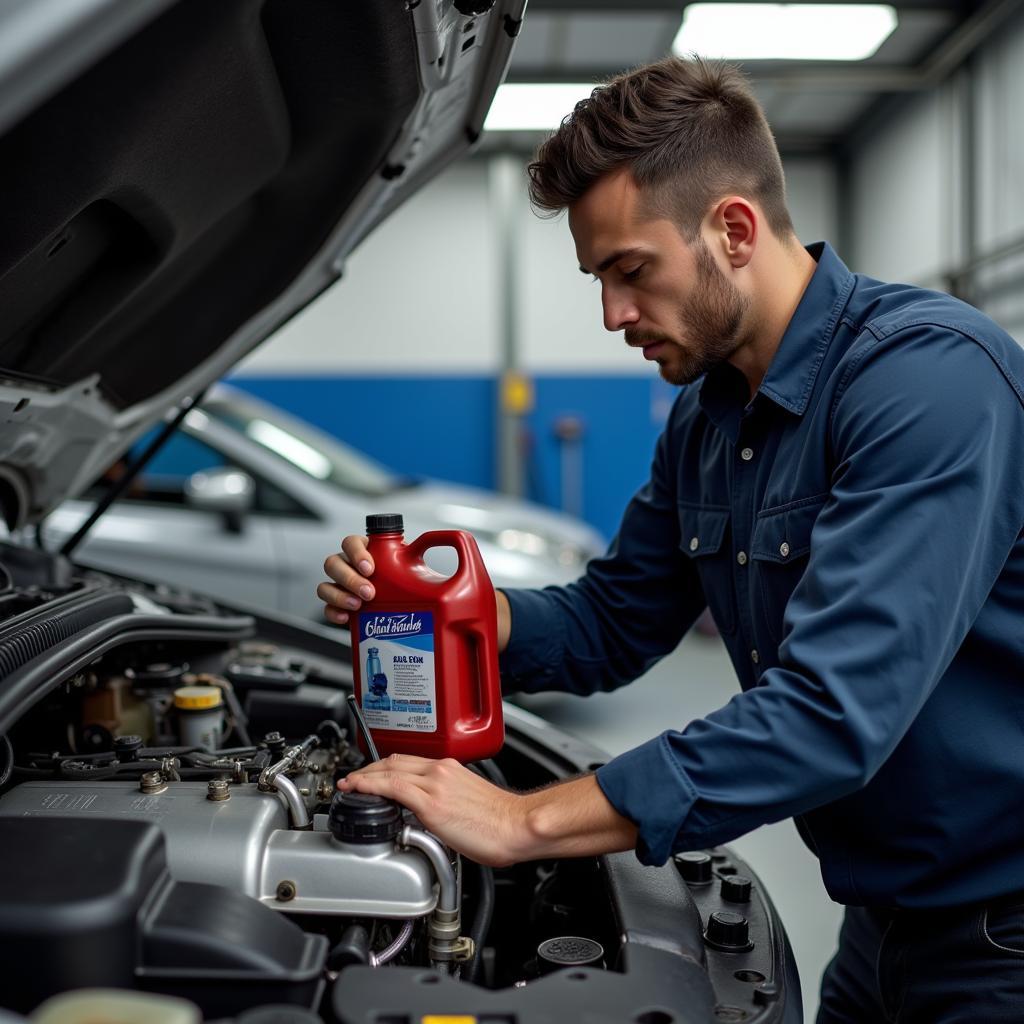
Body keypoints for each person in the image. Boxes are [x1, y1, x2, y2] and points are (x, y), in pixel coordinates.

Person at [318, 56, 1024, 1022]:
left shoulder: (928, 384)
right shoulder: (708, 417)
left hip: (1003, 936)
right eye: (599, 278)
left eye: (630, 270)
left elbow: (830, 713)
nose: (611, 315)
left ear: (733, 229)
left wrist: (525, 821)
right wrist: (459, 619)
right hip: (881, 926)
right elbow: (616, 619)